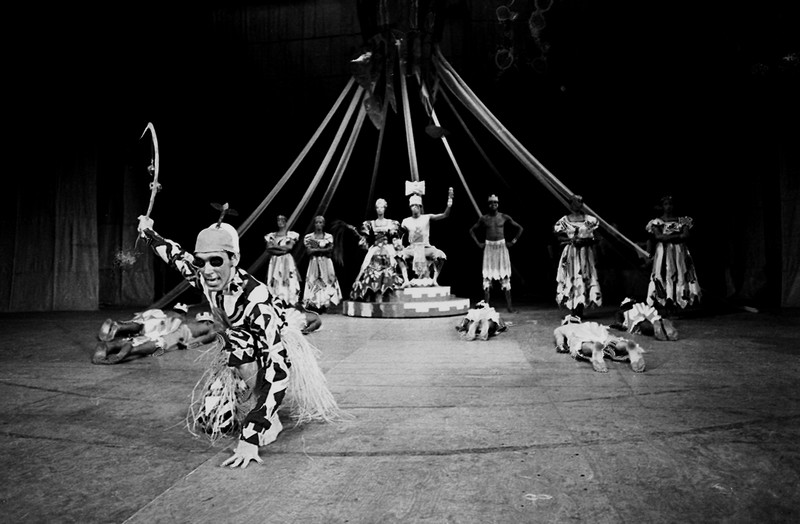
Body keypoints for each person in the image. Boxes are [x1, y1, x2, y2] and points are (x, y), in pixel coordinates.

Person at [136, 215, 341, 469]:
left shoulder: (256, 302)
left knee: (238, 340)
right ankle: (246, 395)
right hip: (239, 346)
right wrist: (148, 232)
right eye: (201, 261)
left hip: (269, 344)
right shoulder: (204, 277)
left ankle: (271, 418)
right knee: (212, 421)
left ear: (234, 258)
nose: (207, 270)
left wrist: (252, 433)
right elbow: (175, 255)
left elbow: (278, 370)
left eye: (216, 261)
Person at [92, 303, 217, 365]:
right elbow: (209, 337)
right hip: (175, 336)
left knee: (141, 334)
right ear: (208, 321)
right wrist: (192, 344)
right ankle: (128, 352)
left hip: (158, 326)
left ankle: (109, 345)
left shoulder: (185, 320)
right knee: (157, 344)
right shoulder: (205, 326)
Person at [645, 195, 702, 315]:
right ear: (662, 206)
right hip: (664, 251)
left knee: (680, 273)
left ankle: (678, 301)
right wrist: (677, 236)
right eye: (666, 204)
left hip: (679, 251)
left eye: (670, 204)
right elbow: (658, 236)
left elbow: (686, 235)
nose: (668, 207)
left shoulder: (683, 220)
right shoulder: (657, 222)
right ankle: (667, 302)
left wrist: (668, 237)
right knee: (665, 273)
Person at [469, 194, 523, 312]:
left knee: (505, 276)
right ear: (488, 205)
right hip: (489, 248)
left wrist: (513, 241)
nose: (493, 204)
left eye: (495, 202)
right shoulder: (484, 219)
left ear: (498, 204)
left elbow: (520, 228)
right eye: (491, 202)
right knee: (487, 277)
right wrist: (478, 243)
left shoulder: (504, 217)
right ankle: (486, 307)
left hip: (501, 247)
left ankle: (509, 307)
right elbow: (472, 230)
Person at [553, 194, 602, 317]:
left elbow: (597, 238)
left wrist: (586, 241)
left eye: (581, 201)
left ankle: (580, 308)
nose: (580, 204)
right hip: (571, 253)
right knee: (572, 278)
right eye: (577, 201)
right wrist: (570, 240)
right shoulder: (564, 221)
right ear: (571, 203)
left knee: (584, 277)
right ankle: (574, 308)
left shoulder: (590, 220)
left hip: (586, 252)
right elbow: (559, 237)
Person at [349, 198, 406, 302]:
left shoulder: (390, 223)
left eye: (382, 207)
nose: (380, 209)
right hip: (375, 247)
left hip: (387, 247)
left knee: (395, 261)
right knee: (366, 263)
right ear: (375, 209)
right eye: (378, 207)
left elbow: (395, 237)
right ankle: (360, 282)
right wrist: (362, 241)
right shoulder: (371, 223)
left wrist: (397, 244)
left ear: (385, 208)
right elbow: (365, 239)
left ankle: (402, 281)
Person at [554, 315, 646, 373]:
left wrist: (561, 346)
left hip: (578, 334)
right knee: (611, 342)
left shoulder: (563, 328)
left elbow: (559, 339)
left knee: (581, 344)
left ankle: (593, 347)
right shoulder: (586, 324)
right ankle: (627, 346)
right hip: (596, 329)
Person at [400, 187, 453, 285]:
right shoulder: (405, 221)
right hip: (412, 249)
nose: (414, 207)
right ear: (410, 207)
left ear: (420, 206)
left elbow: (445, 215)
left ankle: (434, 279)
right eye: (412, 205)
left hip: (425, 248)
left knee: (441, 256)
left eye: (416, 205)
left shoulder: (426, 217)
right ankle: (406, 280)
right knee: (398, 256)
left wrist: (450, 201)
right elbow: (400, 235)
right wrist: (399, 245)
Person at [302, 215, 342, 312]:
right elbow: (309, 252)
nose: (318, 224)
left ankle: (327, 303)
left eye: (320, 222)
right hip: (314, 262)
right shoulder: (309, 237)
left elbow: (330, 251)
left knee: (327, 281)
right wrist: (323, 249)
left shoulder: (328, 237)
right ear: (314, 224)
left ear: (323, 224)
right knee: (314, 280)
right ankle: (314, 303)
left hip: (326, 262)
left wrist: (316, 249)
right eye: (316, 222)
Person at [264, 214, 302, 306]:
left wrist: (275, 246)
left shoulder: (291, 235)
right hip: (275, 261)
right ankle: (276, 300)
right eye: (278, 220)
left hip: (286, 260)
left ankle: (289, 300)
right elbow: (269, 248)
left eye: (282, 220)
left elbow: (289, 247)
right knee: (275, 279)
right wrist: (282, 249)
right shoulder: (272, 236)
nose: (280, 222)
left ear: (285, 222)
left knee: (288, 279)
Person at [610, 297, 679, 341]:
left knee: (643, 322)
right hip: (642, 317)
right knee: (651, 320)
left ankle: (662, 329)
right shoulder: (638, 306)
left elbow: (618, 322)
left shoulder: (623, 311)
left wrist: (619, 325)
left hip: (638, 321)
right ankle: (663, 328)